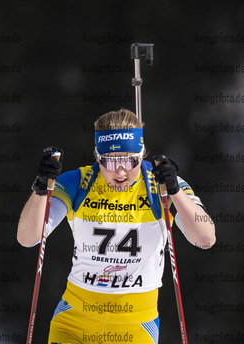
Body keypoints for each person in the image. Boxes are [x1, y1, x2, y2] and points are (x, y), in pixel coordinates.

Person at [17, 108, 216, 344]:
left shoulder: (161, 185)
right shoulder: (78, 182)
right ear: (97, 156)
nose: (120, 171)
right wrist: (41, 188)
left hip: (135, 327)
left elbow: (205, 239)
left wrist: (175, 192)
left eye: (130, 160)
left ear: (142, 154)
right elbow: (28, 237)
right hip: (74, 321)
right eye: (110, 161)